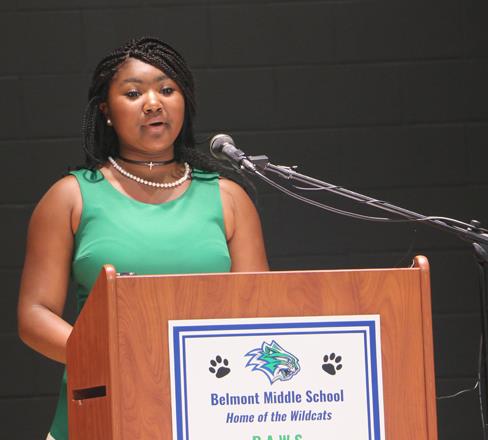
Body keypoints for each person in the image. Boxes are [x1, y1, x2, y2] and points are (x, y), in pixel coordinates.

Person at [17, 37, 268, 440]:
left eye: (167, 90)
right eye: (133, 93)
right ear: (107, 111)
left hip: (210, 411)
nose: (153, 103)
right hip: (101, 415)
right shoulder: (70, 196)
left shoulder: (228, 198)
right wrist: (111, 357)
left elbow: (262, 312)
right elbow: (34, 315)